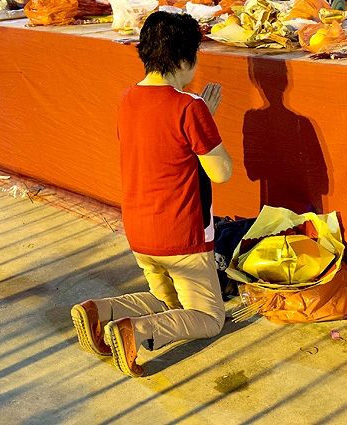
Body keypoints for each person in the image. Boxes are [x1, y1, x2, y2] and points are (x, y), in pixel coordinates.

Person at [70, 11, 232, 378]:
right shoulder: (189, 106)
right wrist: (205, 118)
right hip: (182, 236)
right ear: (184, 60)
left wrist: (200, 118)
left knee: (166, 300)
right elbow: (221, 173)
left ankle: (100, 311)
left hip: (140, 232)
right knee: (209, 316)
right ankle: (136, 330)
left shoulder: (128, 98)